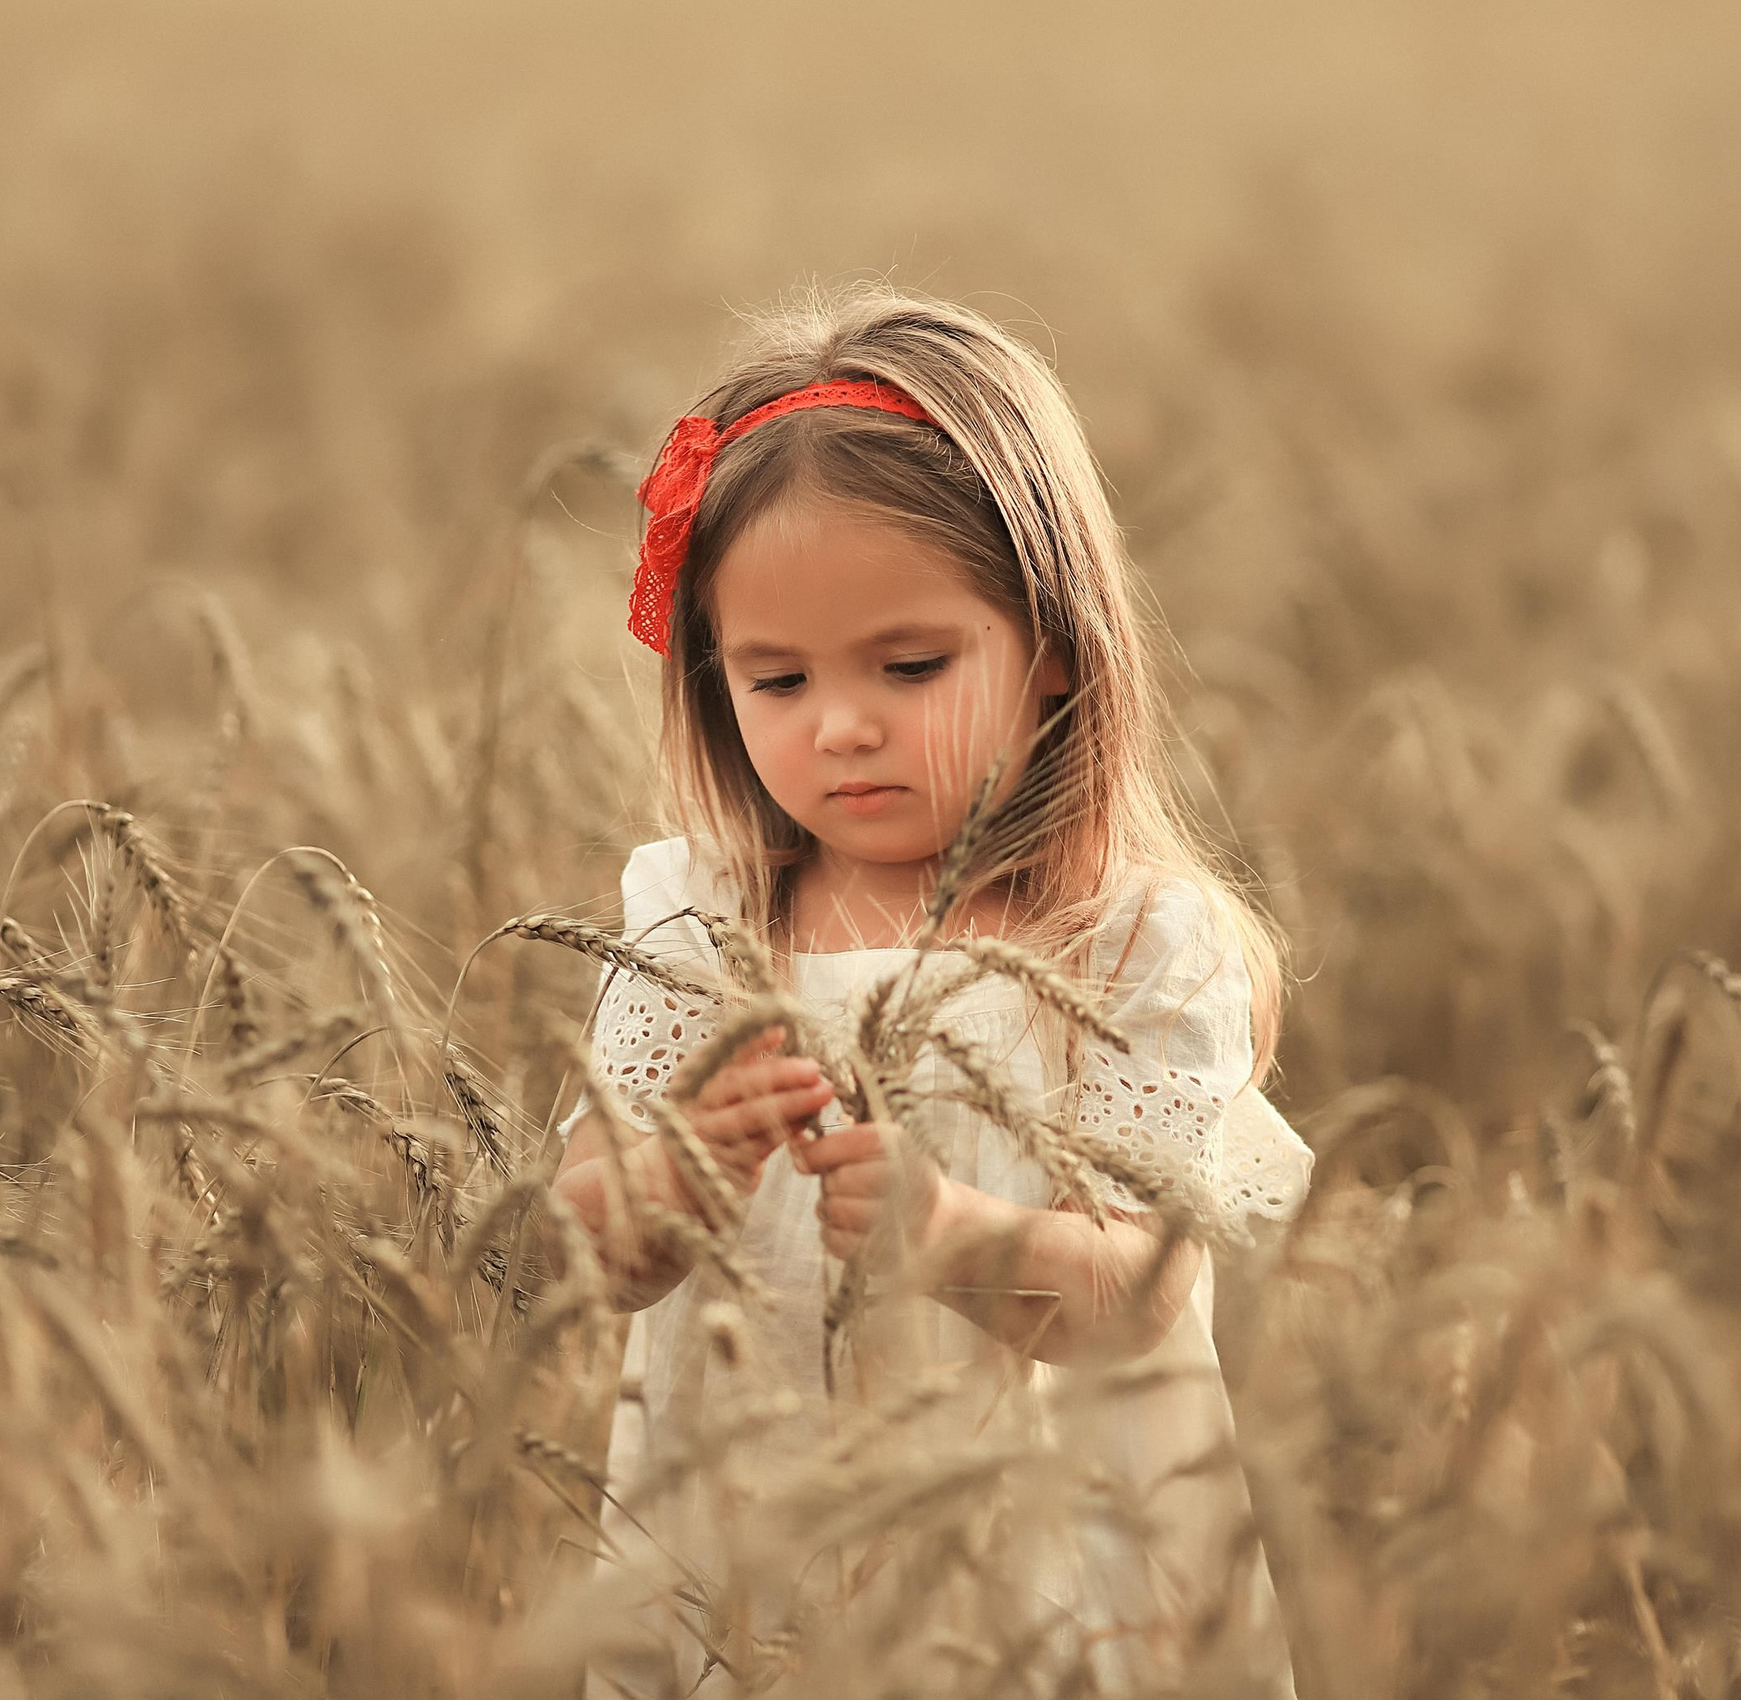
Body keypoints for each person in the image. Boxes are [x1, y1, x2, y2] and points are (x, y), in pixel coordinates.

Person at [549, 284, 1312, 1698]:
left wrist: (945, 1230)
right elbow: (579, 1238)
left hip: (1049, 1581)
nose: (842, 724)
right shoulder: (699, 924)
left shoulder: (1130, 945)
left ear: (1060, 656)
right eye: (774, 682)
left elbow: (1137, 1296)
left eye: (910, 665)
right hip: (752, 1564)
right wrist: (672, 1179)